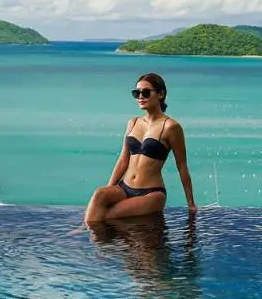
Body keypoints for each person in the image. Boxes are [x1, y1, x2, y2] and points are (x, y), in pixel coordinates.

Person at [84, 72, 196, 223]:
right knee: (100, 194)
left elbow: (181, 166)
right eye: (136, 93)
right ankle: (83, 231)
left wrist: (191, 204)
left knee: (108, 217)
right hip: (124, 187)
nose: (140, 97)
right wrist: (109, 189)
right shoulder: (133, 122)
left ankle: (85, 233)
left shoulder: (171, 127)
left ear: (161, 94)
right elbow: (123, 160)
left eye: (146, 92)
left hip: (151, 193)